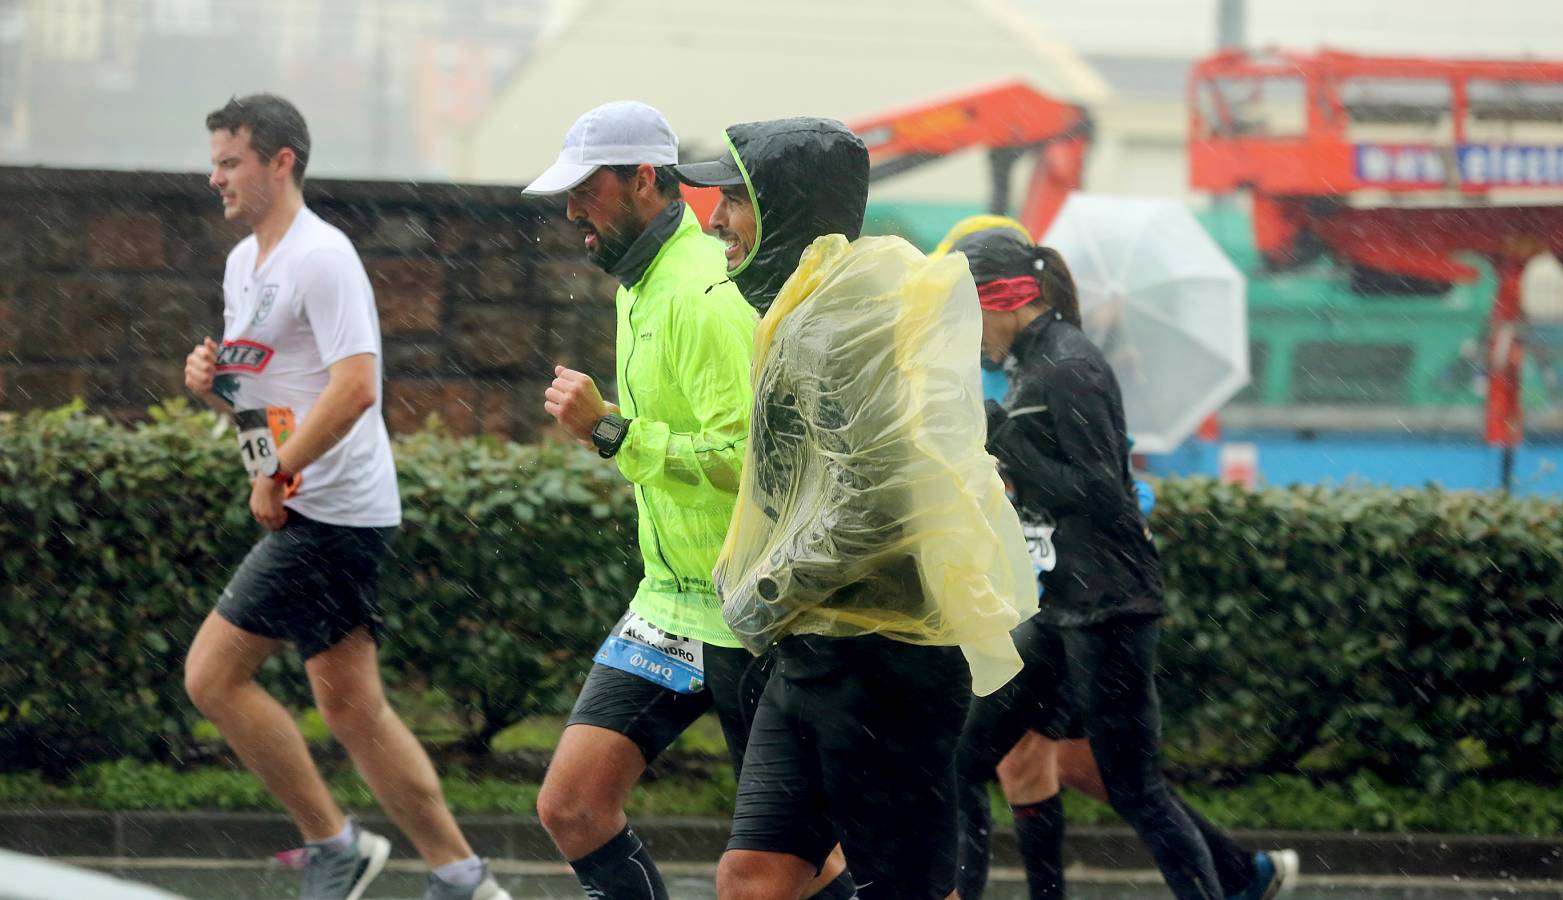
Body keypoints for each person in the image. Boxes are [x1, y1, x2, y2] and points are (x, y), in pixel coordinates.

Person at [676, 118, 1037, 900]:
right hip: (817, 650)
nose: (714, 221)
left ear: (785, 205)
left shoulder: (841, 325)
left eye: (733, 201)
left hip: (881, 667)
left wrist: (761, 591)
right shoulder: (810, 309)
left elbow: (873, 506)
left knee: (900, 889)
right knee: (753, 878)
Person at [181, 94, 509, 900]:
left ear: (281, 161)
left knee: (212, 679)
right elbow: (263, 394)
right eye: (215, 160)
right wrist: (218, 392)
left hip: (334, 512)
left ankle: (334, 843)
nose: (215, 176)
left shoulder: (321, 256)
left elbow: (357, 388)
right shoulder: (242, 264)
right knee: (356, 712)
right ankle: (463, 876)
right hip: (306, 505)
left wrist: (280, 473)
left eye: (231, 161)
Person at [527, 101, 854, 900]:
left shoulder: (703, 293)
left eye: (587, 190)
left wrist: (611, 432)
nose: (573, 209)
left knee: (789, 871)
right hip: (669, 603)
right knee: (572, 806)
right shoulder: (635, 285)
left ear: (645, 180)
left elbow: (745, 457)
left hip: (744, 612)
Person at [939, 217, 1301, 900]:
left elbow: (1104, 496)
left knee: (1133, 788)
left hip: (1109, 609)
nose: (963, 336)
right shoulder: (1030, 365)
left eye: (964, 315)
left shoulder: (1066, 366)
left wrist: (1005, 445)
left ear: (1004, 299)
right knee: (963, 758)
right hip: (1060, 608)